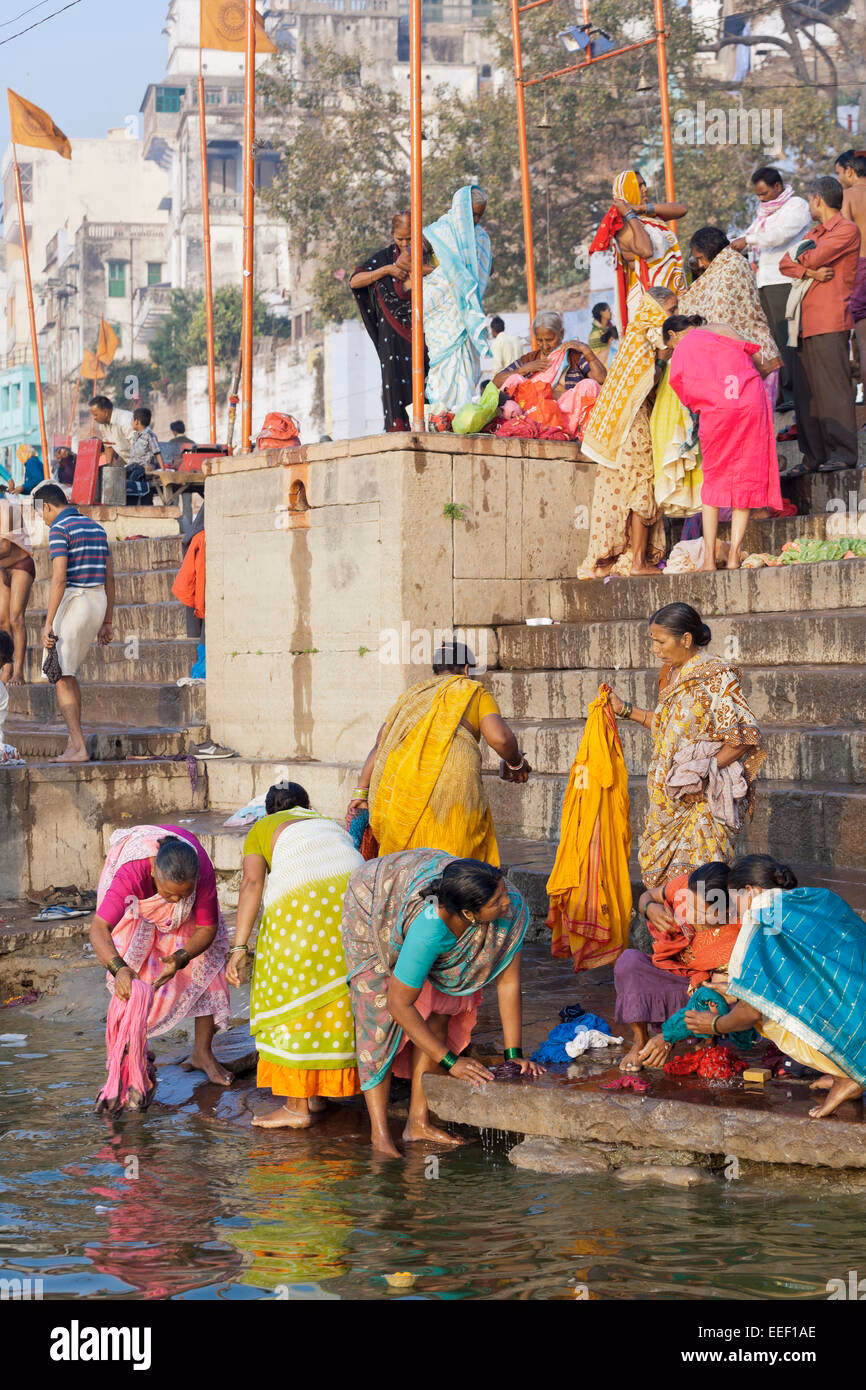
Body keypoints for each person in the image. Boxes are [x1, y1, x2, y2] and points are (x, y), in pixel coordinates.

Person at [341, 852, 541, 1155]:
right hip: (375, 902)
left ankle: (417, 1123)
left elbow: (509, 982)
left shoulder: (507, 905)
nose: (507, 903)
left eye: (503, 893)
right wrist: (451, 1062)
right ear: (470, 914)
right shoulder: (430, 930)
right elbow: (399, 1004)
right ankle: (379, 1136)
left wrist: (513, 1055)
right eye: (497, 901)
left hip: (420, 882)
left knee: (442, 1005)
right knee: (377, 1020)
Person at [683, 856, 866, 1119]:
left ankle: (849, 1076)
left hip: (855, 1027)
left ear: (749, 891)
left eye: (733, 899)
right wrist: (735, 988)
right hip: (858, 1006)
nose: (734, 909)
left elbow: (751, 1012)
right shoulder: (815, 897)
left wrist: (714, 1025)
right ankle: (842, 1070)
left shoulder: (760, 922)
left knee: (770, 1017)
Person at [227, 781, 364, 1130]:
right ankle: (318, 1093)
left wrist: (239, 947)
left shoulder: (263, 827)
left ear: (269, 811)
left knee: (293, 997)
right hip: (356, 906)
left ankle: (296, 1106)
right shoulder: (327, 824)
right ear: (307, 805)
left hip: (305, 908)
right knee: (332, 997)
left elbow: (252, 884)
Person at [606, 603, 765, 888]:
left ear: (686, 639)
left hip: (700, 801)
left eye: (661, 642)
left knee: (700, 885)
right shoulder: (670, 674)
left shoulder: (715, 676)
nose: (655, 649)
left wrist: (703, 772)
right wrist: (624, 709)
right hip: (667, 799)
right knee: (663, 885)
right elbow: (667, 725)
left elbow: (742, 736)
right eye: (653, 641)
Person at [347, 642, 531, 866]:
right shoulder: (472, 690)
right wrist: (516, 763)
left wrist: (360, 793)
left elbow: (380, 744)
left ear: (436, 670)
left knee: (408, 867)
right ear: (466, 669)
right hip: (453, 790)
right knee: (457, 866)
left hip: (403, 791)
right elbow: (500, 738)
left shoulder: (411, 697)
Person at [88, 825, 231, 1088]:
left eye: (183, 895)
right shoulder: (132, 873)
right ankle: (133, 1056)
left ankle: (202, 1053)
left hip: (182, 867)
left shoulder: (201, 872)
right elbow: (99, 929)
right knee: (132, 971)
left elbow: (207, 928)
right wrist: (119, 968)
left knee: (208, 961)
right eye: (168, 894)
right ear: (154, 871)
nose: (175, 901)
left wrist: (181, 957)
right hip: (137, 897)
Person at [663, 312, 782, 570]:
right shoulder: (724, 329)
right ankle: (733, 557)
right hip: (750, 404)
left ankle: (708, 559)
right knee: (746, 481)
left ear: (674, 335)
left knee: (713, 481)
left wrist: (701, 403)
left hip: (717, 410)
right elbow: (759, 361)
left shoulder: (685, 345)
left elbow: (679, 384)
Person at [579, 285, 677, 578]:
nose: (675, 314)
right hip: (632, 424)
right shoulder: (647, 335)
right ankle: (637, 562)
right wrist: (663, 358)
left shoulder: (634, 334)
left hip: (617, 425)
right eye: (671, 310)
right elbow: (648, 379)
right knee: (641, 489)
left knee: (618, 492)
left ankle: (612, 560)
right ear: (656, 311)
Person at [615, 860, 739, 1071]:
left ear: (725, 911)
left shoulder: (738, 932)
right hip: (674, 972)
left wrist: (668, 1037)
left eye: (701, 913)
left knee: (714, 1000)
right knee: (629, 962)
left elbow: (721, 996)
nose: (689, 916)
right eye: (689, 906)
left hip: (706, 990)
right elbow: (648, 895)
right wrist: (649, 908)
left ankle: (706, 1040)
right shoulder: (687, 887)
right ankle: (640, 1040)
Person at [779, 176, 860, 476]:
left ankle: (843, 453)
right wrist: (811, 273)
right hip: (803, 323)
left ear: (818, 200)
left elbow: (811, 256)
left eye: (809, 200)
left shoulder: (846, 229)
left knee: (833, 391)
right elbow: (785, 263)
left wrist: (803, 263)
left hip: (830, 319)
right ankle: (813, 456)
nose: (809, 206)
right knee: (807, 395)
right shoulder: (813, 232)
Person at [34, 483, 114, 763]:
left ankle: (79, 747)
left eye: (41, 514)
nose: (43, 520)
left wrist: (48, 623)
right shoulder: (97, 528)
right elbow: (109, 577)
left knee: (59, 675)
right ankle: (74, 743)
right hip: (97, 601)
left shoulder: (59, 528)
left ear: (47, 506)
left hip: (75, 602)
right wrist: (107, 620)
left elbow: (59, 579)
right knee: (68, 674)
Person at [730, 166, 811, 415]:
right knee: (772, 341)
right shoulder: (763, 214)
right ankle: (782, 394)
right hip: (765, 281)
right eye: (758, 195)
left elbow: (778, 236)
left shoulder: (796, 206)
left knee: (787, 339)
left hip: (784, 281)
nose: (761, 199)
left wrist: (748, 240)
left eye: (764, 193)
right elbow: (751, 236)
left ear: (777, 186)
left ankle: (794, 393)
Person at [422, 185, 492, 410]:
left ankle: (461, 416)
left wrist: (466, 275)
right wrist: (445, 273)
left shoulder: (481, 237)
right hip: (442, 314)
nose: (476, 220)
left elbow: (486, 269)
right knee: (443, 369)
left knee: (466, 374)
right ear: (460, 209)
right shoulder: (438, 232)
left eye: (480, 215)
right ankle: (441, 415)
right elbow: (410, 263)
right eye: (472, 214)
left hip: (466, 316)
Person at [589, 170, 686, 327]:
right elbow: (646, 251)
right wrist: (629, 214)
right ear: (627, 191)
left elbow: (682, 209)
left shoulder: (648, 215)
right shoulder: (623, 225)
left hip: (671, 293)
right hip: (649, 300)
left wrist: (640, 209)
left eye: (645, 184)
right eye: (639, 186)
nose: (645, 189)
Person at [350, 212, 416, 432]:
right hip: (392, 337)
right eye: (400, 239)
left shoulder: (428, 256)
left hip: (423, 335)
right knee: (394, 384)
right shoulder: (384, 258)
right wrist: (386, 270)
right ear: (392, 235)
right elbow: (355, 281)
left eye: (410, 238)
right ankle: (397, 429)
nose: (405, 244)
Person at [836, 150, 866, 410]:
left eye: (839, 173)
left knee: (863, 343)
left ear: (850, 170)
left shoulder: (849, 196)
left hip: (860, 268)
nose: (839, 179)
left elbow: (843, 238)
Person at [0, 528, 36, 686]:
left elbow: (5, 548)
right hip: (2, 568)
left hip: (20, 565)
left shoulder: (8, 512)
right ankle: (7, 670)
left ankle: (19, 672)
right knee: (3, 621)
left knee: (16, 618)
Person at [127, 407, 164, 503]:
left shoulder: (149, 435)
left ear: (137, 422)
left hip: (144, 467)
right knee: (121, 473)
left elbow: (157, 452)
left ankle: (134, 501)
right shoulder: (135, 436)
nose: (131, 423)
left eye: (132, 420)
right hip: (133, 465)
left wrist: (163, 469)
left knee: (134, 477)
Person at [89, 395, 135, 464]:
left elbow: (139, 446)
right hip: (129, 461)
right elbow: (108, 446)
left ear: (105, 412)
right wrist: (108, 466)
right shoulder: (102, 426)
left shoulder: (125, 419)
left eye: (96, 415)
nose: (94, 418)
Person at [588, 301, 619, 366]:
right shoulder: (595, 334)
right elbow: (599, 361)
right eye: (609, 310)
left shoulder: (608, 328)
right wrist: (610, 340)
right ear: (602, 313)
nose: (611, 313)